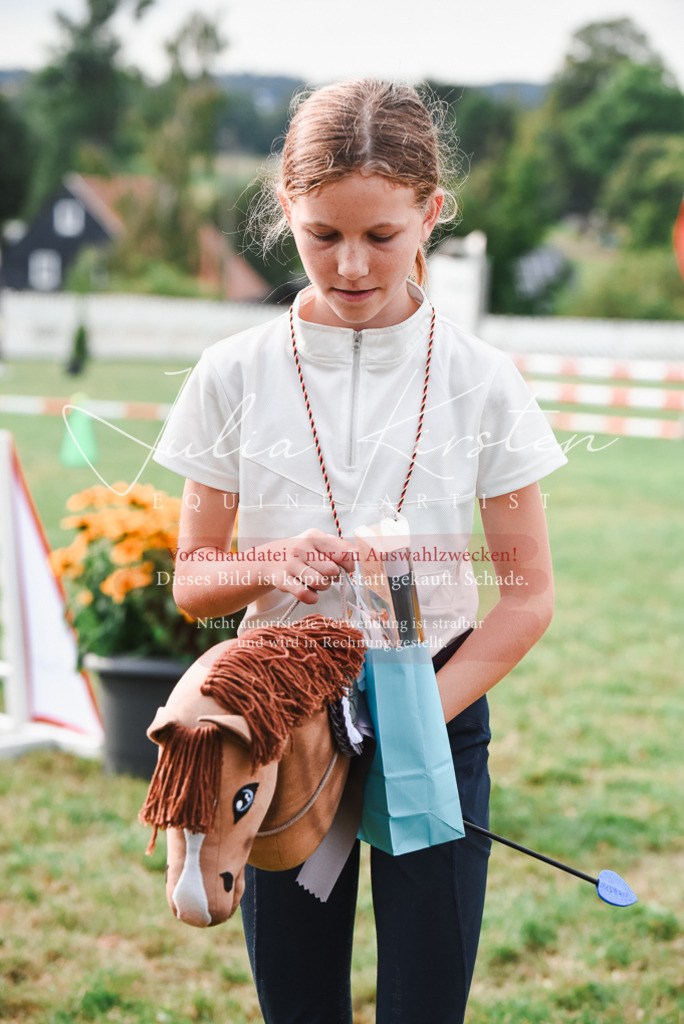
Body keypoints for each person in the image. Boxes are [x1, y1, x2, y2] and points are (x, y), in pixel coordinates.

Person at [153, 78, 567, 1024]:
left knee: (426, 1004)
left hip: (435, 718)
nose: (348, 265)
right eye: (321, 234)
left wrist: (407, 720)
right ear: (287, 211)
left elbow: (528, 597)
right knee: (300, 1006)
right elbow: (193, 582)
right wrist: (267, 565)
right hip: (280, 731)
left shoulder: (482, 381)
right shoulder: (232, 374)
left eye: (380, 236)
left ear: (430, 213)